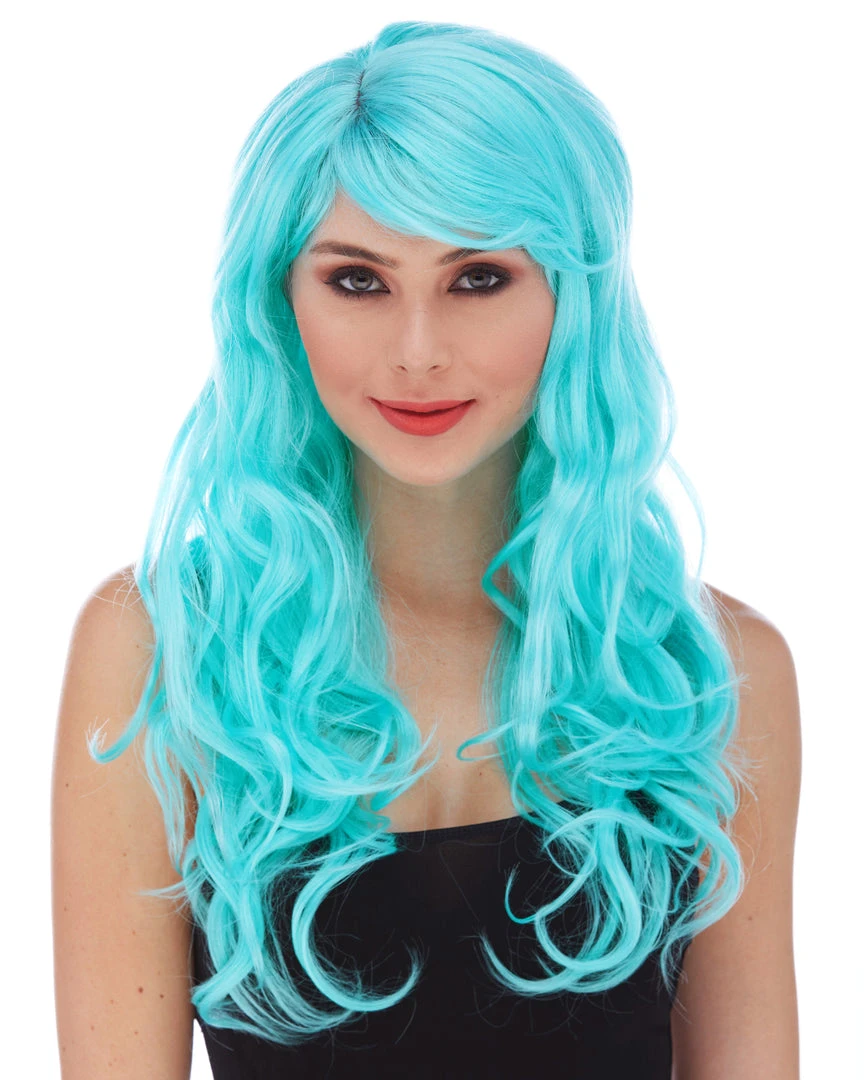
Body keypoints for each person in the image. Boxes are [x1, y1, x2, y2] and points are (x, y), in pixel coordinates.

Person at [51, 19, 802, 1079]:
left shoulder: (708, 675)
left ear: (573, 297)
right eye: (358, 281)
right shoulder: (163, 654)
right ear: (280, 300)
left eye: (478, 278)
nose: (417, 352)